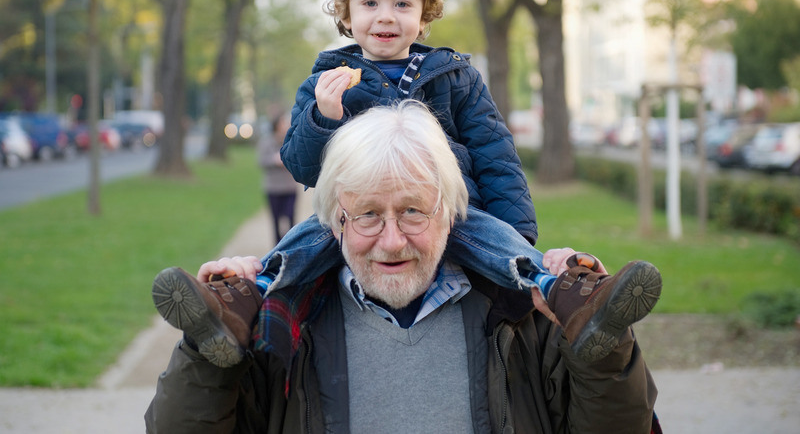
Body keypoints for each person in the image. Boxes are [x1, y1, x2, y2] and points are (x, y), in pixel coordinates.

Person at [146, 101, 661, 433]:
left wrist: (602, 352)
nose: (392, 242)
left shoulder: (526, 316)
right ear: (335, 221)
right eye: (368, 215)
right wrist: (208, 351)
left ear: (452, 211)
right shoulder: (278, 325)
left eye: (413, 211)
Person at [249, 0, 558, 300]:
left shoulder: (457, 79)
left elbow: (496, 158)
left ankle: (553, 287)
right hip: (359, 217)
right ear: (346, 15)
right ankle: (254, 291)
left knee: (486, 235)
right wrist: (325, 117)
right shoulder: (326, 84)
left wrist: (514, 236)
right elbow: (303, 168)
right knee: (311, 235)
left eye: (402, 4)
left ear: (424, 17)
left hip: (445, 215)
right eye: (370, 3)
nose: (386, 16)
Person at [257, 113, 298, 243]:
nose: (286, 125)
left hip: (289, 187)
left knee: (291, 218)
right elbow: (261, 161)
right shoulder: (266, 141)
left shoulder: (292, 140)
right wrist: (274, 160)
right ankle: (277, 247)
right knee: (275, 220)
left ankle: (291, 245)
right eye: (283, 122)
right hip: (273, 188)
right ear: (276, 125)